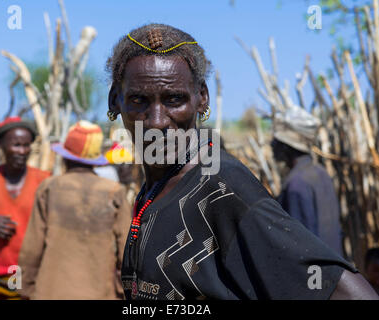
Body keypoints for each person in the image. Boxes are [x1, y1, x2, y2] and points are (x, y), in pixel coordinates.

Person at [106, 23, 379, 300]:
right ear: (115, 100)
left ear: (202, 98)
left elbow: (348, 293)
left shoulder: (220, 186)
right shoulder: (156, 187)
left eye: (174, 99)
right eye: (138, 100)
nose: (157, 121)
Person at [18, 121, 131, 299]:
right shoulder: (114, 191)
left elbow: (31, 250)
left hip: (50, 292)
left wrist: (23, 288)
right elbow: (127, 251)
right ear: (94, 161)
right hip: (100, 292)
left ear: (65, 157)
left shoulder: (48, 188)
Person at [0, 116, 50, 300]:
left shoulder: (44, 181)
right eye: (16, 145)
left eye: (26, 145)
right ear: (1, 145)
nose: (22, 151)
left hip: (32, 276)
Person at [271, 109, 344, 256]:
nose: (271, 144)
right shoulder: (320, 172)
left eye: (276, 141)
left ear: (286, 146)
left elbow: (301, 245)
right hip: (333, 269)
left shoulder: (297, 184)